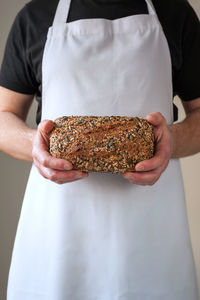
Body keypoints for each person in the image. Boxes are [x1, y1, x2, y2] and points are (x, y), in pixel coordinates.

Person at [0, 0, 200, 299]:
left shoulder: (174, 11)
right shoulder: (35, 16)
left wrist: (170, 140)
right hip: (57, 229)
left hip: (151, 228)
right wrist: (36, 146)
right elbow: (4, 115)